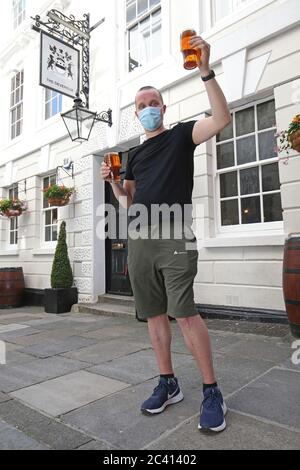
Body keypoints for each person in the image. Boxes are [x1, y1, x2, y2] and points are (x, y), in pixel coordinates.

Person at [101, 34, 231, 433]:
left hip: (175, 234)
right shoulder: (134, 155)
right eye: (141, 107)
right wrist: (114, 183)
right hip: (139, 237)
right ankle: (168, 382)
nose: (147, 110)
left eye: (152, 104)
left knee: (185, 313)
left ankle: (211, 391)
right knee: (154, 315)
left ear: (163, 107)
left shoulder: (180, 136)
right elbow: (128, 202)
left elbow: (221, 118)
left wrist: (205, 70)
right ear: (136, 115)